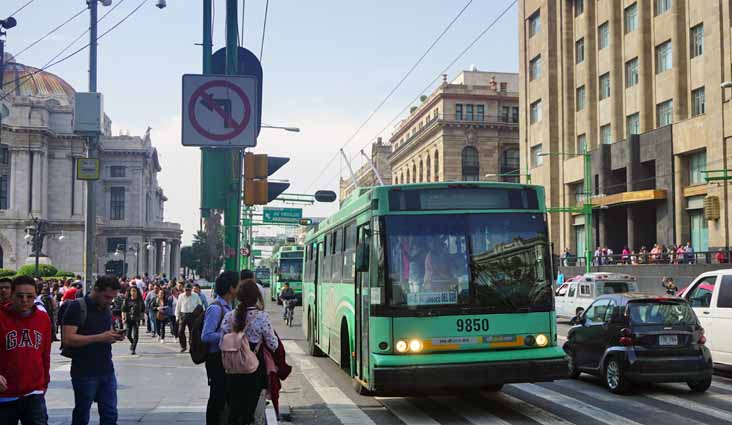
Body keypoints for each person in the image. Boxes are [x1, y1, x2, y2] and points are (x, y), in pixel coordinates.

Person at [62, 275, 125, 425]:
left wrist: (113, 336)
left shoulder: (106, 309)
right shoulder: (77, 307)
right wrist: (100, 337)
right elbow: (68, 338)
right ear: (96, 290)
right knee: (82, 414)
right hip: (84, 372)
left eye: (112, 298)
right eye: (107, 297)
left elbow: (104, 333)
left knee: (110, 414)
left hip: (106, 369)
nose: (109, 301)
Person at [221, 279, 279, 424]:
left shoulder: (229, 316)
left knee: (234, 411)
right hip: (254, 370)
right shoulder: (262, 317)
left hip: (232, 369)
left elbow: (222, 340)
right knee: (250, 412)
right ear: (256, 297)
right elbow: (273, 345)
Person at [0, 276, 52, 425]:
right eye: (19, 296)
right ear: (11, 295)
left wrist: (44, 383)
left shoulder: (43, 319)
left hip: (33, 392)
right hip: (4, 395)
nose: (24, 300)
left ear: (36, 296)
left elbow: (45, 354)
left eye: (29, 296)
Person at [201, 271, 238, 425]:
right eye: (238, 286)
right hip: (216, 359)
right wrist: (228, 336)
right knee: (217, 396)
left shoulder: (228, 306)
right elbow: (206, 335)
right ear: (231, 288)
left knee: (224, 396)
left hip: (224, 358)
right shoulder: (215, 308)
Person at [175, 283, 202, 353]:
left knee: (192, 332)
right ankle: (183, 346)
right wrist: (177, 317)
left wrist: (200, 316)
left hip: (192, 315)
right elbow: (178, 307)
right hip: (183, 315)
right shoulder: (181, 296)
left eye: (189, 290)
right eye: (186, 290)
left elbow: (200, 306)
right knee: (180, 331)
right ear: (184, 289)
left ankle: (192, 346)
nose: (187, 292)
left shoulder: (195, 296)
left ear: (191, 290)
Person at [121, 286, 145, 355]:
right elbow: (123, 310)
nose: (133, 292)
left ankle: (133, 348)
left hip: (136, 319)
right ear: (130, 292)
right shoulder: (127, 300)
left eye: (134, 291)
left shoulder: (140, 300)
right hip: (128, 319)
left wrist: (142, 318)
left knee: (135, 335)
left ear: (137, 292)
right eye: (132, 291)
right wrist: (123, 318)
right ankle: (133, 343)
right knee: (128, 335)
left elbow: (143, 310)